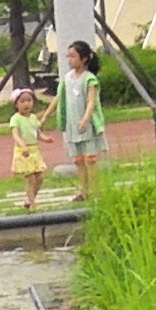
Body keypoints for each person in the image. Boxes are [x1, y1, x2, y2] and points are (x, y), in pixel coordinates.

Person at [60, 40, 108, 199]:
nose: (70, 60)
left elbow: (91, 101)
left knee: (90, 160)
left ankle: (95, 190)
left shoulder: (89, 79)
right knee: (78, 161)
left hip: (86, 125)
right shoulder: (67, 78)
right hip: (72, 125)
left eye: (73, 56)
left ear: (84, 58)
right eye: (69, 56)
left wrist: (86, 118)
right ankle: (83, 190)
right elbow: (60, 98)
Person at [9, 84, 51, 211]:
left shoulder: (33, 118)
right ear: (16, 104)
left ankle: (30, 198)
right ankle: (33, 205)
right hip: (23, 152)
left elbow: (37, 133)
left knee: (40, 177)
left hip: (34, 151)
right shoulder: (15, 119)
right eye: (22, 101)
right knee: (30, 179)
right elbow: (15, 135)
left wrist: (45, 138)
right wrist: (23, 146)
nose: (26, 104)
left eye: (29, 101)